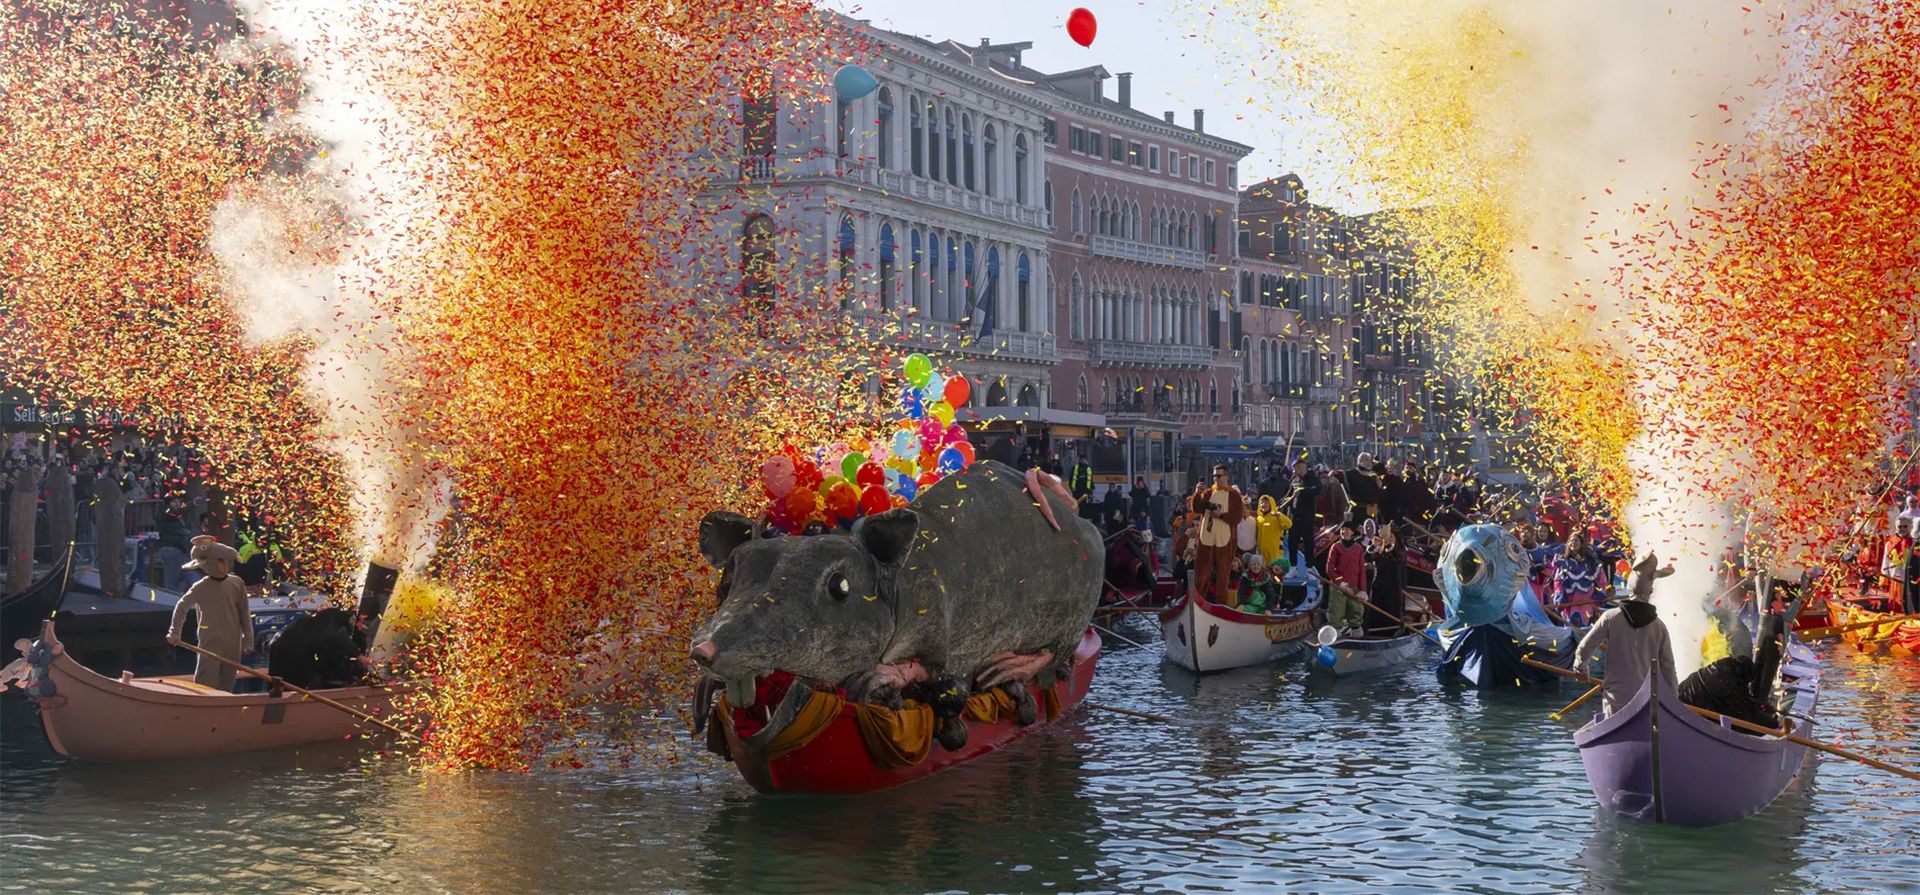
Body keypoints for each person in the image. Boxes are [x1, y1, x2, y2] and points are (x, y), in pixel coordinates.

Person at [1575, 552, 1679, 713]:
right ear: (1650, 592)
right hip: (1647, 703)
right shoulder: (1659, 627)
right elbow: (1668, 668)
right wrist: (1674, 702)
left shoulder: (1610, 617)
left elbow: (1585, 648)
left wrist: (1581, 668)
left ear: (1629, 587)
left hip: (1616, 701)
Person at [165, 535, 254, 691]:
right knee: (206, 681)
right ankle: (201, 710)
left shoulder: (236, 583)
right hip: (210, 640)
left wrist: (248, 640)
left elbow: (244, 613)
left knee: (227, 681)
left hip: (233, 640)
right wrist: (175, 632)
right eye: (219, 561)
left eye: (224, 560)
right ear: (209, 565)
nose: (224, 564)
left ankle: (224, 710)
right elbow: (181, 607)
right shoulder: (200, 587)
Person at [1188, 464, 1247, 604]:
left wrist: (1221, 515)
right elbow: (1197, 508)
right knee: (1202, 571)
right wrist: (1197, 493)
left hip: (1224, 538)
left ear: (1226, 476)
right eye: (1214, 476)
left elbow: (1237, 517)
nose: (1216, 478)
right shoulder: (1208, 492)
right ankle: (1198, 601)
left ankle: (1221, 604)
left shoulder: (1233, 495)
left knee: (1223, 573)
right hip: (1206, 537)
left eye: (1219, 476)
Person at [1550, 529, 1610, 626]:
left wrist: (1601, 592)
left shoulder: (1591, 562)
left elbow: (1601, 579)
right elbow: (1558, 581)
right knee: (1572, 624)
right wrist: (1559, 596)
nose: (1573, 542)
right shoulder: (1563, 561)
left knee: (1585, 623)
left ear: (1582, 543)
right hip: (1569, 602)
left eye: (1576, 540)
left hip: (1587, 601)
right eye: (1571, 541)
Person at [1325, 523, 1368, 636]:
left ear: (1352, 532)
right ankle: (1335, 637)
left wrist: (1362, 590)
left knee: (1356, 613)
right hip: (1338, 588)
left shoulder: (1358, 548)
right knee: (1336, 613)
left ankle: (1356, 637)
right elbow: (1329, 569)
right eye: (1342, 529)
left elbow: (1362, 571)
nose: (1343, 531)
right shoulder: (1335, 547)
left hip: (1355, 588)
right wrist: (1341, 584)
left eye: (1346, 529)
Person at [1367, 524, 1407, 633]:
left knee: (1391, 614)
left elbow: (1394, 565)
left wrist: (1385, 551)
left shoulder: (1399, 553)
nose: (1388, 540)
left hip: (1393, 589)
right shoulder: (1377, 550)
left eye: (1391, 538)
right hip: (1378, 588)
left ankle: (1392, 631)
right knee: (1376, 613)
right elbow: (1370, 558)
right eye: (1386, 538)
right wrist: (1378, 548)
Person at [1284, 458, 1320, 569]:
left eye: (1295, 469)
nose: (1293, 472)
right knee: (1292, 542)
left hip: (1307, 517)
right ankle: (1293, 567)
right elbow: (1288, 496)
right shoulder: (1294, 480)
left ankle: (1309, 568)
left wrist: (1303, 491)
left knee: (1308, 543)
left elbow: (1317, 490)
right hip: (1294, 517)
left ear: (1300, 467)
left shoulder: (1313, 479)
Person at [1254, 494, 1292, 573]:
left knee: (1276, 575)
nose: (1264, 505)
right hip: (1262, 553)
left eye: (1266, 502)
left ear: (1271, 504)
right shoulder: (1258, 519)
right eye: (1262, 502)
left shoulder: (1277, 517)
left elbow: (1289, 524)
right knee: (1264, 575)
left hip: (1275, 552)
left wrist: (1279, 515)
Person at [1345, 452, 1384, 526]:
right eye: (1364, 460)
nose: (1367, 462)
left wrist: (1379, 486)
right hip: (1357, 510)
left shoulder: (1373, 475)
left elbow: (1379, 493)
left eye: (1368, 460)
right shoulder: (1352, 474)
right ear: (1359, 461)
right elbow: (1342, 476)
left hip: (1371, 510)